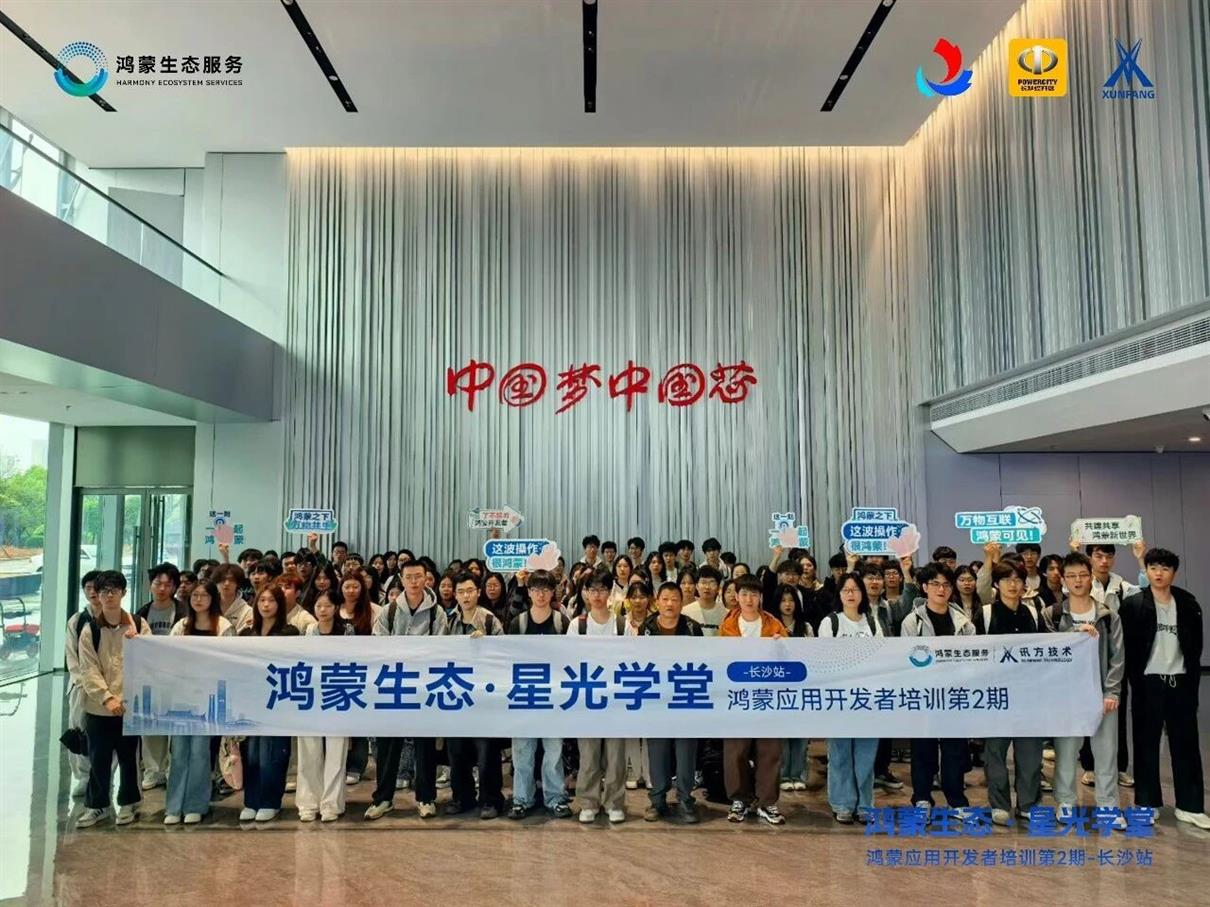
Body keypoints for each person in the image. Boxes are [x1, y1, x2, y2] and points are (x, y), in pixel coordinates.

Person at [1119, 548, 1208, 828]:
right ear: (1146, 571)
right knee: (1146, 743)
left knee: (1186, 743)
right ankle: (1147, 803)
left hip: (1180, 681)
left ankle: (1190, 806)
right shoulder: (1133, 605)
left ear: (1174, 573)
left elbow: (1195, 646)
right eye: (1154, 568)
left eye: (1165, 568)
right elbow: (1126, 648)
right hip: (1148, 683)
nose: (1159, 573)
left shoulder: (1188, 603)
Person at [1047, 552, 1125, 828]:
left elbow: (1117, 656)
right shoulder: (1053, 614)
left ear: (1091, 577)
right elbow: (1046, 653)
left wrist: (1112, 692)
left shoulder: (1107, 615)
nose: (1077, 581)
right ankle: (1066, 802)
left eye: (1082, 575)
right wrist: (1074, 636)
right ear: (1063, 580)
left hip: (1101, 696)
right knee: (1066, 752)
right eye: (1071, 576)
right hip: (1067, 697)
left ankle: (1108, 805)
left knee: (1106, 753)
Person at [365, 561, 447, 820]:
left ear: (426, 579)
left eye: (418, 576)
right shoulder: (389, 611)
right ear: (401, 579)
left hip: (424, 688)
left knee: (425, 747)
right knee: (388, 746)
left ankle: (426, 798)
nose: (414, 581)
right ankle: (383, 798)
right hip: (394, 686)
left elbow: (440, 649)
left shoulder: (437, 613)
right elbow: (379, 646)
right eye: (409, 577)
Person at [76, 570, 151, 828]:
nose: (109, 596)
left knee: (130, 759)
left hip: (130, 706)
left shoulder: (138, 625)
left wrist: (138, 643)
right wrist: (107, 698)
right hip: (99, 708)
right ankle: (97, 806)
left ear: (123, 593)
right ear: (97, 594)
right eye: (104, 591)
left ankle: (129, 803)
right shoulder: (90, 630)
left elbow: (150, 661)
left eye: (114, 590)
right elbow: (88, 669)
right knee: (98, 759)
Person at [900, 563, 975, 819]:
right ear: (924, 587)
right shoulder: (912, 621)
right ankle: (922, 798)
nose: (941, 589)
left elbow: (972, 660)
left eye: (946, 584)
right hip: (924, 695)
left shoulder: (963, 622)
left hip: (954, 695)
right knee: (923, 749)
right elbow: (907, 659)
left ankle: (956, 801)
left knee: (954, 750)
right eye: (935, 584)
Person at [164, 580, 234, 825]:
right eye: (195, 595)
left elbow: (228, 662)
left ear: (213, 598)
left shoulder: (223, 626)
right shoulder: (181, 626)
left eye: (204, 595)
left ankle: (196, 804)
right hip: (181, 697)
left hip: (208, 698)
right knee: (178, 752)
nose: (198, 600)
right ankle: (174, 806)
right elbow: (168, 657)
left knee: (200, 752)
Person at [981, 562, 1046, 826]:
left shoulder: (1034, 612)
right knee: (995, 752)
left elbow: (1048, 647)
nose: (1012, 584)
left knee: (1030, 753)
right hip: (995, 695)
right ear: (996, 584)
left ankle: (1028, 804)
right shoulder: (985, 614)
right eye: (1006, 579)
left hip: (1029, 694)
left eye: (1018, 579)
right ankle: (999, 804)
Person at [720, 574, 787, 825]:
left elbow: (788, 661)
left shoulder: (774, 624)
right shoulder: (727, 626)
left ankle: (767, 802)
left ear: (761, 597)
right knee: (736, 751)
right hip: (737, 697)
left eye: (754, 594)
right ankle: (740, 799)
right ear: (736, 597)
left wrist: (782, 646)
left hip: (767, 697)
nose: (749, 599)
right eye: (744, 594)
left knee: (769, 751)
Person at [817, 572, 883, 823]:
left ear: (862, 594)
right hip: (839, 698)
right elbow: (824, 660)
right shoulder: (830, 623)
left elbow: (882, 658)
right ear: (839, 594)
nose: (851, 594)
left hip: (868, 698)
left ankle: (865, 804)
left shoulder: (873, 623)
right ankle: (842, 803)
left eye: (855, 589)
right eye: (846, 590)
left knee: (866, 754)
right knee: (840, 753)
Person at [441, 572, 506, 819]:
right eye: (460, 592)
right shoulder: (448, 621)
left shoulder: (489, 621)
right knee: (456, 751)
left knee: (486, 751)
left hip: (483, 697)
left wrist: (486, 644)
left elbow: (502, 656)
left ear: (478, 592)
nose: (465, 596)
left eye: (469, 591)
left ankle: (491, 800)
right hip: (456, 695)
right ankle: (462, 797)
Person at [507, 569, 571, 819]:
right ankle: (522, 799)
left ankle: (555, 798)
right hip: (524, 695)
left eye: (545, 589)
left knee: (553, 752)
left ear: (553, 592)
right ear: (529, 592)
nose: (541, 595)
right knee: (522, 752)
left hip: (553, 697)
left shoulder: (562, 622)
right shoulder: (518, 623)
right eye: (535, 589)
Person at [567, 569, 627, 824]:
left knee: (615, 756)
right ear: (586, 593)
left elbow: (631, 660)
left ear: (610, 591)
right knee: (589, 755)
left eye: (602, 589)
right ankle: (588, 802)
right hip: (587, 698)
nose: (598, 595)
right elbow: (569, 661)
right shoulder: (577, 625)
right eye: (593, 590)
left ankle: (615, 802)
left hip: (615, 700)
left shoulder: (622, 625)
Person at [640, 581, 703, 823]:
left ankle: (686, 800)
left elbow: (702, 661)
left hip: (685, 697)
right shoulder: (647, 628)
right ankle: (657, 801)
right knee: (658, 753)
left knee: (686, 753)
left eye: (675, 599)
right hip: (656, 700)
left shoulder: (692, 628)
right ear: (657, 601)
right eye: (665, 599)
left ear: (681, 602)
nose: (669, 604)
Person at [238, 586, 300, 822]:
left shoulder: (289, 633)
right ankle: (251, 801)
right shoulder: (247, 634)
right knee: (252, 754)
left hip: (277, 701)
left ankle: (271, 801)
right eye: (262, 600)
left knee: (272, 753)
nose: (266, 605)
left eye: (271, 600)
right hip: (251, 701)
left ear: (279, 604)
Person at [297, 590, 353, 822]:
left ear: (336, 608)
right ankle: (308, 803)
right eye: (318, 605)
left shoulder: (347, 631)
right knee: (308, 751)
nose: (322, 610)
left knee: (336, 751)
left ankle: (331, 804)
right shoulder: (309, 631)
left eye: (327, 606)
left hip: (338, 693)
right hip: (311, 695)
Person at [65, 571, 103, 798]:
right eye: (88, 588)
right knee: (79, 731)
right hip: (81, 687)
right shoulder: (77, 620)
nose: (92, 592)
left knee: (105, 735)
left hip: (108, 688)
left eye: (96, 588)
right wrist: (82, 681)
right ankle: (82, 776)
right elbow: (72, 655)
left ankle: (103, 775)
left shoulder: (117, 618)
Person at [774, 583, 814, 792]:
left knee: (800, 733)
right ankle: (783, 774)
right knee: (782, 734)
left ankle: (798, 774)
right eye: (783, 600)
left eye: (791, 600)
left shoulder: (806, 627)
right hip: (778, 687)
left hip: (801, 686)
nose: (787, 604)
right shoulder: (771, 626)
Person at [621, 580, 654, 789]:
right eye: (634, 597)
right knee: (631, 728)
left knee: (649, 729)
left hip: (650, 678)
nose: (638, 601)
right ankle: (632, 771)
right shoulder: (621, 622)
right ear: (628, 600)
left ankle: (650, 772)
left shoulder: (655, 621)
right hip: (628, 678)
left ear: (649, 599)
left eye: (642, 596)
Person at [682, 565, 726, 636]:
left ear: (718, 588)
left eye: (712, 583)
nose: (707, 587)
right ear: (697, 586)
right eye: (703, 582)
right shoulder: (685, 612)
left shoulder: (725, 613)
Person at [212, 564, 252, 632]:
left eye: (231, 580)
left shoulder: (248, 611)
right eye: (222, 579)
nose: (227, 583)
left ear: (238, 583)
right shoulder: (208, 605)